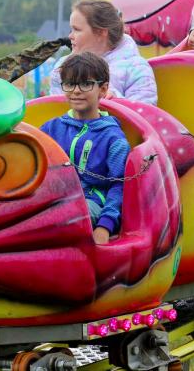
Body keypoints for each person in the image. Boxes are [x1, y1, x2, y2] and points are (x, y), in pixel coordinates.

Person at [41, 53, 131, 245]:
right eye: (70, 84)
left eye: (85, 84)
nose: (76, 91)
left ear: (103, 89)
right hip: (53, 198)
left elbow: (118, 186)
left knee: (65, 216)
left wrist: (105, 226)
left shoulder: (113, 139)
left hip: (91, 203)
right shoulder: (51, 128)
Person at [50, 0, 157, 105]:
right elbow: (55, 109)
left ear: (101, 32)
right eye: (71, 29)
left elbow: (144, 111)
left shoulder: (136, 68)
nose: (70, 36)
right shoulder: (63, 67)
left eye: (77, 29)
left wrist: (115, 100)